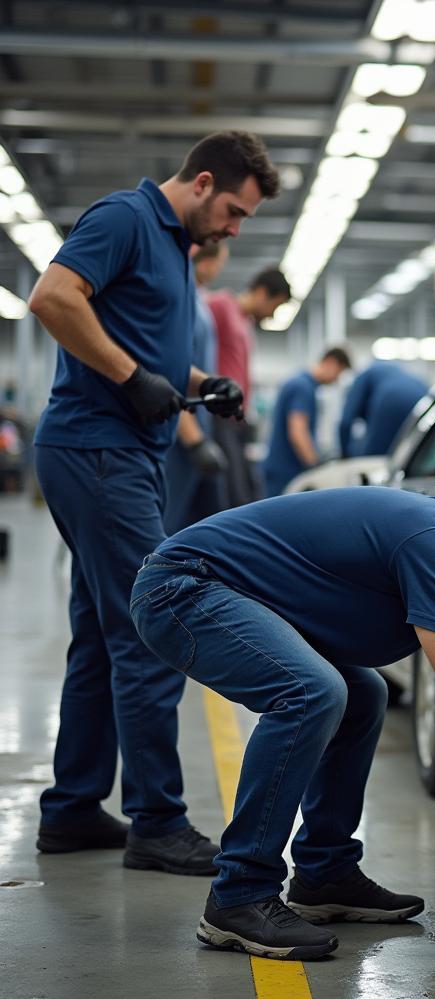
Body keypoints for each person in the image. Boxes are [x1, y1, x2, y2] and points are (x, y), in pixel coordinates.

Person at [131, 465, 435, 959]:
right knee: (311, 692)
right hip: (183, 589)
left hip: (220, 592)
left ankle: (325, 873)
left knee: (364, 695)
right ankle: (238, 895)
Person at [30, 130, 280, 874]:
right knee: (149, 631)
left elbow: (145, 345)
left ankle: (73, 808)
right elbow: (52, 297)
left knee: (101, 634)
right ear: (203, 182)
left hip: (118, 453)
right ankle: (157, 821)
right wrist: (130, 377)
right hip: (98, 451)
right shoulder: (125, 219)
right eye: (234, 211)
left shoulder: (171, 246)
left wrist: (201, 384)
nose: (235, 230)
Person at [206, 266, 291, 507]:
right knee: (235, 494)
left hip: (237, 418)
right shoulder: (221, 304)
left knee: (251, 490)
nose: (273, 314)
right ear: (262, 292)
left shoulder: (245, 323)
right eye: (275, 305)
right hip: (218, 414)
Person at [164, 241, 230, 533]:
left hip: (192, 435)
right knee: (165, 531)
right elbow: (168, 372)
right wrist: (195, 441)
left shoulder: (197, 299)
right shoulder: (182, 297)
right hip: (178, 441)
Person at [262, 347, 350, 497]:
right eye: (339, 373)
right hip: (286, 473)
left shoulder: (299, 382)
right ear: (331, 363)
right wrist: (314, 466)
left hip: (280, 470)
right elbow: (298, 431)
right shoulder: (303, 387)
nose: (336, 380)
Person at [337, 358, 428, 458]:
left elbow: (345, 422)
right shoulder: (383, 373)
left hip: (391, 396)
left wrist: (344, 455)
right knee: (412, 452)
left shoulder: (360, 379)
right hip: (423, 393)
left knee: (373, 458)